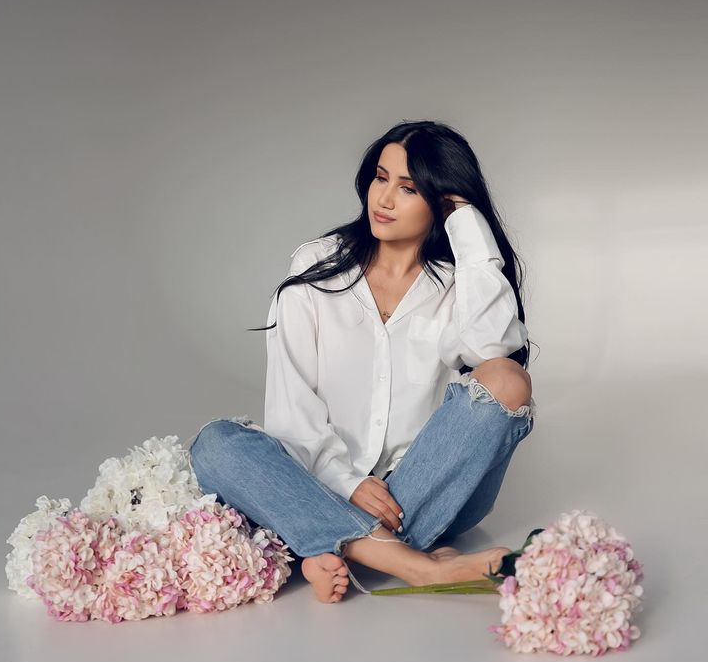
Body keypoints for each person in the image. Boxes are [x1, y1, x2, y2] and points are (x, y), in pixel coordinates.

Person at [189, 121, 537, 603]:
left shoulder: (456, 287)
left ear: (439, 202)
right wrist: (348, 483)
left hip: (419, 491)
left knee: (506, 378)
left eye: (409, 187)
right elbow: (293, 413)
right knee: (215, 445)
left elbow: (494, 347)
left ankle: (320, 544)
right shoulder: (318, 266)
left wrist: (467, 224)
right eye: (381, 177)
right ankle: (414, 565)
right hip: (322, 481)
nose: (385, 199)